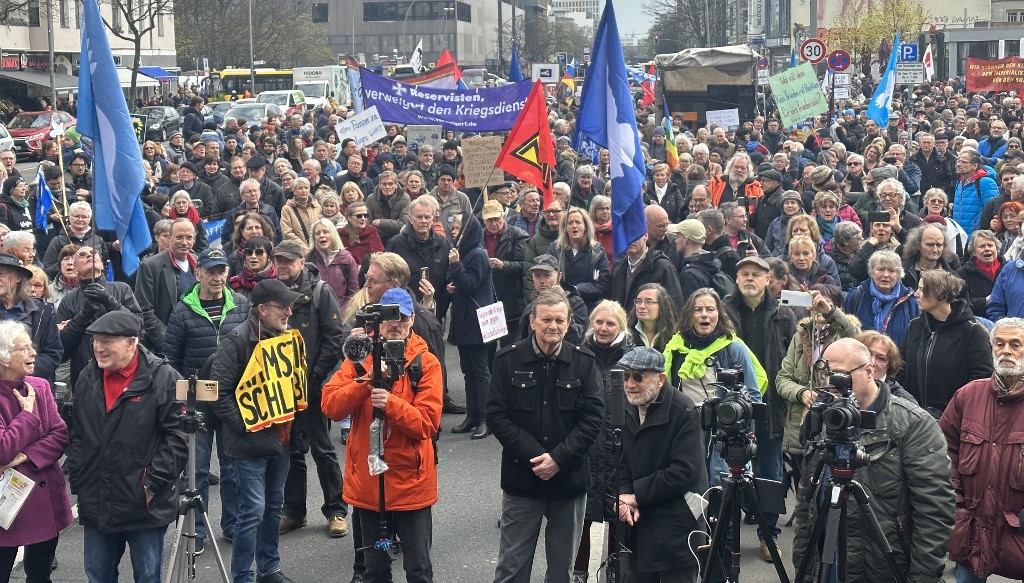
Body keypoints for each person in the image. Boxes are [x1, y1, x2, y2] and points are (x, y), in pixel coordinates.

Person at [792, 338, 954, 583]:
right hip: (827, 564)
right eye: (826, 373)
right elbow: (806, 504)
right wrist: (803, 569)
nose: (831, 383)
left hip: (885, 569)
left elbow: (934, 512)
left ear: (869, 371)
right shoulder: (824, 419)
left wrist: (921, 578)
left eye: (840, 374)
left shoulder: (912, 424)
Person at [321, 287, 442, 583]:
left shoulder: (426, 363)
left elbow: (427, 424)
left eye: (401, 317)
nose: (395, 324)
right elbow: (331, 406)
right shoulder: (362, 356)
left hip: (410, 484)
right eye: (388, 317)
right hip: (368, 485)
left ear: (412, 318)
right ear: (377, 320)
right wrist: (366, 382)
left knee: (418, 570)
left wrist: (391, 404)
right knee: (374, 571)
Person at [487, 287, 604, 583]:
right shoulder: (506, 360)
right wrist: (536, 457)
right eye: (547, 320)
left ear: (569, 323)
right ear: (533, 322)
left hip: (569, 482)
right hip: (522, 480)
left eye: (560, 321)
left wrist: (558, 459)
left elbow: (593, 419)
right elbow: (497, 416)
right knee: (511, 569)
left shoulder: (584, 362)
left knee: (561, 571)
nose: (554, 326)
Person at [66, 311, 188, 583]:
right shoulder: (87, 377)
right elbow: (78, 435)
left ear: (132, 343)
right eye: (96, 339)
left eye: (107, 340)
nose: (98, 347)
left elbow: (178, 438)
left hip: (143, 502)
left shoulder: (164, 378)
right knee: (97, 574)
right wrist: (79, 478)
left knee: (146, 575)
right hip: (97, 497)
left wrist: (151, 485)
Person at [210, 279, 304, 583]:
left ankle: (268, 568)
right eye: (282, 306)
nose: (289, 312)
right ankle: (242, 577)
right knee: (253, 511)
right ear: (261, 310)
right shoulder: (236, 341)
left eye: (290, 306)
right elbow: (219, 395)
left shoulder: (288, 339)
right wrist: (248, 427)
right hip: (248, 445)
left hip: (282, 441)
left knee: (273, 507)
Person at [163, 247, 250, 553]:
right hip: (196, 400)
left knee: (232, 466)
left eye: (221, 271)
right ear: (198, 273)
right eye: (211, 271)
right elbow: (170, 360)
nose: (217, 277)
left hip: (230, 399)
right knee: (196, 469)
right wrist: (180, 399)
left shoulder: (241, 304)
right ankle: (196, 531)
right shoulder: (182, 310)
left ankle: (232, 523)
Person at [271, 241, 349, 539]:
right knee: (290, 450)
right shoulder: (272, 293)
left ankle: (336, 510)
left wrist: (314, 377)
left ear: (302, 262)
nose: (283, 265)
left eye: (289, 261)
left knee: (323, 449)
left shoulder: (320, 292)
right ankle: (293, 511)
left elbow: (334, 339)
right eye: (279, 260)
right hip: (283, 388)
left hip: (313, 387)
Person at [722, 255, 796, 559]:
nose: (750, 278)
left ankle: (769, 534)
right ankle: (725, 533)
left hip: (770, 407)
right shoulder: (723, 312)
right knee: (725, 471)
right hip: (730, 406)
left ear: (769, 280)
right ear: (737, 279)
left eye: (756, 274)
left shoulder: (784, 314)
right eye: (744, 274)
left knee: (770, 471)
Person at [940, 317, 1024, 581]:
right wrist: (957, 505)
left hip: (1019, 533)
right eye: (999, 344)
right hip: (971, 531)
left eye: (1015, 344)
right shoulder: (967, 395)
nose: (1006, 351)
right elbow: (943, 453)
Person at [616, 346, 708, 583]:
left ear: (660, 379)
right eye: (626, 376)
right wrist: (624, 495)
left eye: (638, 376)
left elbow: (685, 471)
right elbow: (622, 459)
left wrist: (636, 494)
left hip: (678, 526)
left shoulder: (684, 410)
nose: (630, 384)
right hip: (641, 523)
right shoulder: (629, 406)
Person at [662, 288, 765, 484]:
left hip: (724, 430)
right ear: (689, 315)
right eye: (698, 309)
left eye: (710, 309)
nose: (704, 315)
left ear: (719, 314)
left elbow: (753, 394)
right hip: (686, 428)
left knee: (721, 485)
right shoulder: (676, 347)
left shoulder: (734, 347)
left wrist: (748, 433)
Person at [0, 319, 73, 583]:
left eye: (32, 347)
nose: (34, 353)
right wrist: (28, 415)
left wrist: (24, 456)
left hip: (42, 497)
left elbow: (59, 435)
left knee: (40, 574)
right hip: (4, 502)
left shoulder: (39, 386)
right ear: (4, 358)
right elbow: (2, 450)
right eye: (24, 349)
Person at [574, 300, 634, 582]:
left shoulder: (633, 357)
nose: (603, 328)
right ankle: (578, 571)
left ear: (620, 327)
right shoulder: (578, 355)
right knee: (582, 517)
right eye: (599, 322)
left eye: (610, 323)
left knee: (616, 516)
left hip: (620, 449)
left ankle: (614, 572)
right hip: (585, 448)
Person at [777, 286, 861, 478]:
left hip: (837, 424)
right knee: (804, 492)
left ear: (838, 307)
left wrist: (831, 313)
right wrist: (801, 392)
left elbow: (860, 342)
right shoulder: (802, 335)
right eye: (815, 305)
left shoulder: (847, 333)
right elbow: (782, 379)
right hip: (802, 428)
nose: (819, 309)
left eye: (825, 303)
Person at [898, 270, 993, 417]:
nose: (916, 293)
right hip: (915, 419)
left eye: (922, 289)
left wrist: (955, 411)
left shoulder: (971, 331)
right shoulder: (915, 326)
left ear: (941, 294)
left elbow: (981, 379)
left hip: (954, 420)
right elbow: (901, 369)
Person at [57, 246, 153, 380]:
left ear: (102, 264)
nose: (89, 256)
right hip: (85, 376)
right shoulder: (68, 300)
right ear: (75, 268)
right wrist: (83, 316)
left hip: (124, 372)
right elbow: (61, 349)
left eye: (93, 253)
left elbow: (137, 325)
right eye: (82, 255)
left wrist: (109, 301)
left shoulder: (122, 289)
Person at [447, 213, 495, 440]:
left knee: (480, 371)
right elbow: (463, 284)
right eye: (454, 228)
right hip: (465, 321)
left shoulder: (477, 254)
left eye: (458, 228)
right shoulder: (467, 253)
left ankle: (486, 419)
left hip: (476, 323)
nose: (454, 232)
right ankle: (473, 416)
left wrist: (456, 265)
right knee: (468, 371)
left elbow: (470, 284)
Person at [134, 218, 197, 348]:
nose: (184, 242)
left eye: (189, 237)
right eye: (179, 237)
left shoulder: (200, 264)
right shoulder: (150, 266)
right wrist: (168, 342)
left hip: (195, 343)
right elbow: (144, 310)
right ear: (169, 239)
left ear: (194, 240)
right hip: (165, 345)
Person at [0, 251, 61, 383]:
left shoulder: (41, 311)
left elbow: (53, 353)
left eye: (1, 275)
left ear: (17, 277)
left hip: (32, 386)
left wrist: (23, 371)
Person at [844, 250, 920, 346]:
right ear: (872, 271)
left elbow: (915, 339)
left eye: (891, 270)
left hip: (897, 359)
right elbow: (845, 333)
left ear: (898, 274)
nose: (886, 275)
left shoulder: (910, 301)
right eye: (880, 269)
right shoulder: (855, 296)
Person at [481, 200, 529, 343]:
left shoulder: (518, 235)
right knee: (488, 345)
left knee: (509, 345)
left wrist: (503, 265)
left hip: (511, 299)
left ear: (503, 217)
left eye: (496, 219)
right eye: (489, 220)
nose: (493, 223)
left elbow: (525, 265)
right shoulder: (479, 236)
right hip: (487, 297)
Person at [547, 207, 610, 313]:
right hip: (560, 307)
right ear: (565, 227)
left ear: (585, 226)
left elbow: (603, 284)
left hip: (589, 308)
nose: (574, 226)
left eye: (578, 222)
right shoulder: (555, 250)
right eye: (570, 223)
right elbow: (549, 278)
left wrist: (576, 289)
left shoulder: (597, 251)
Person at [517, 254, 588, 345]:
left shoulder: (575, 302)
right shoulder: (531, 306)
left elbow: (578, 338)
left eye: (547, 275)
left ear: (559, 275)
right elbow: (522, 340)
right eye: (537, 276)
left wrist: (563, 305)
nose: (542, 281)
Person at [609, 231, 681, 315]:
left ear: (646, 236)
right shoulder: (619, 268)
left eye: (634, 235)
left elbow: (675, 304)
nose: (630, 240)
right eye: (624, 236)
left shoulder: (662, 266)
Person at [307, 218, 360, 313]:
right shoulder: (308, 259)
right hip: (314, 315)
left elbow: (353, 293)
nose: (321, 235)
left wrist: (341, 314)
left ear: (333, 234)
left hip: (341, 315)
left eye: (326, 231)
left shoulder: (347, 259)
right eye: (317, 233)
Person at [953, 149, 999, 238]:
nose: (959, 164)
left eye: (964, 162)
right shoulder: (959, 182)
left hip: (976, 237)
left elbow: (993, 210)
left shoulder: (985, 182)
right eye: (958, 161)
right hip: (960, 236)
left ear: (974, 165)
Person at [957, 230, 1003, 317]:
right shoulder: (962, 274)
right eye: (982, 246)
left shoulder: (1008, 270)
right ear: (973, 252)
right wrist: (984, 301)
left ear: (996, 248)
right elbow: (960, 303)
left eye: (990, 245)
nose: (987, 249)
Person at [627, 283, 677, 353]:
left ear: (662, 305)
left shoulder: (675, 335)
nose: (641, 306)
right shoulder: (626, 334)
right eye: (638, 301)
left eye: (648, 302)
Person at [279, 177, 322, 255]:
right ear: (294, 191)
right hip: (298, 251)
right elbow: (287, 233)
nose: (304, 191)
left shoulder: (317, 206)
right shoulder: (287, 209)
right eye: (300, 188)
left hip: (318, 250)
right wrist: (305, 249)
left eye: (306, 188)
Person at [342, 202, 384, 267]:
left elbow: (380, 256)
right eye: (359, 216)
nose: (363, 218)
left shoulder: (372, 232)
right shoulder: (341, 234)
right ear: (349, 218)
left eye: (365, 215)